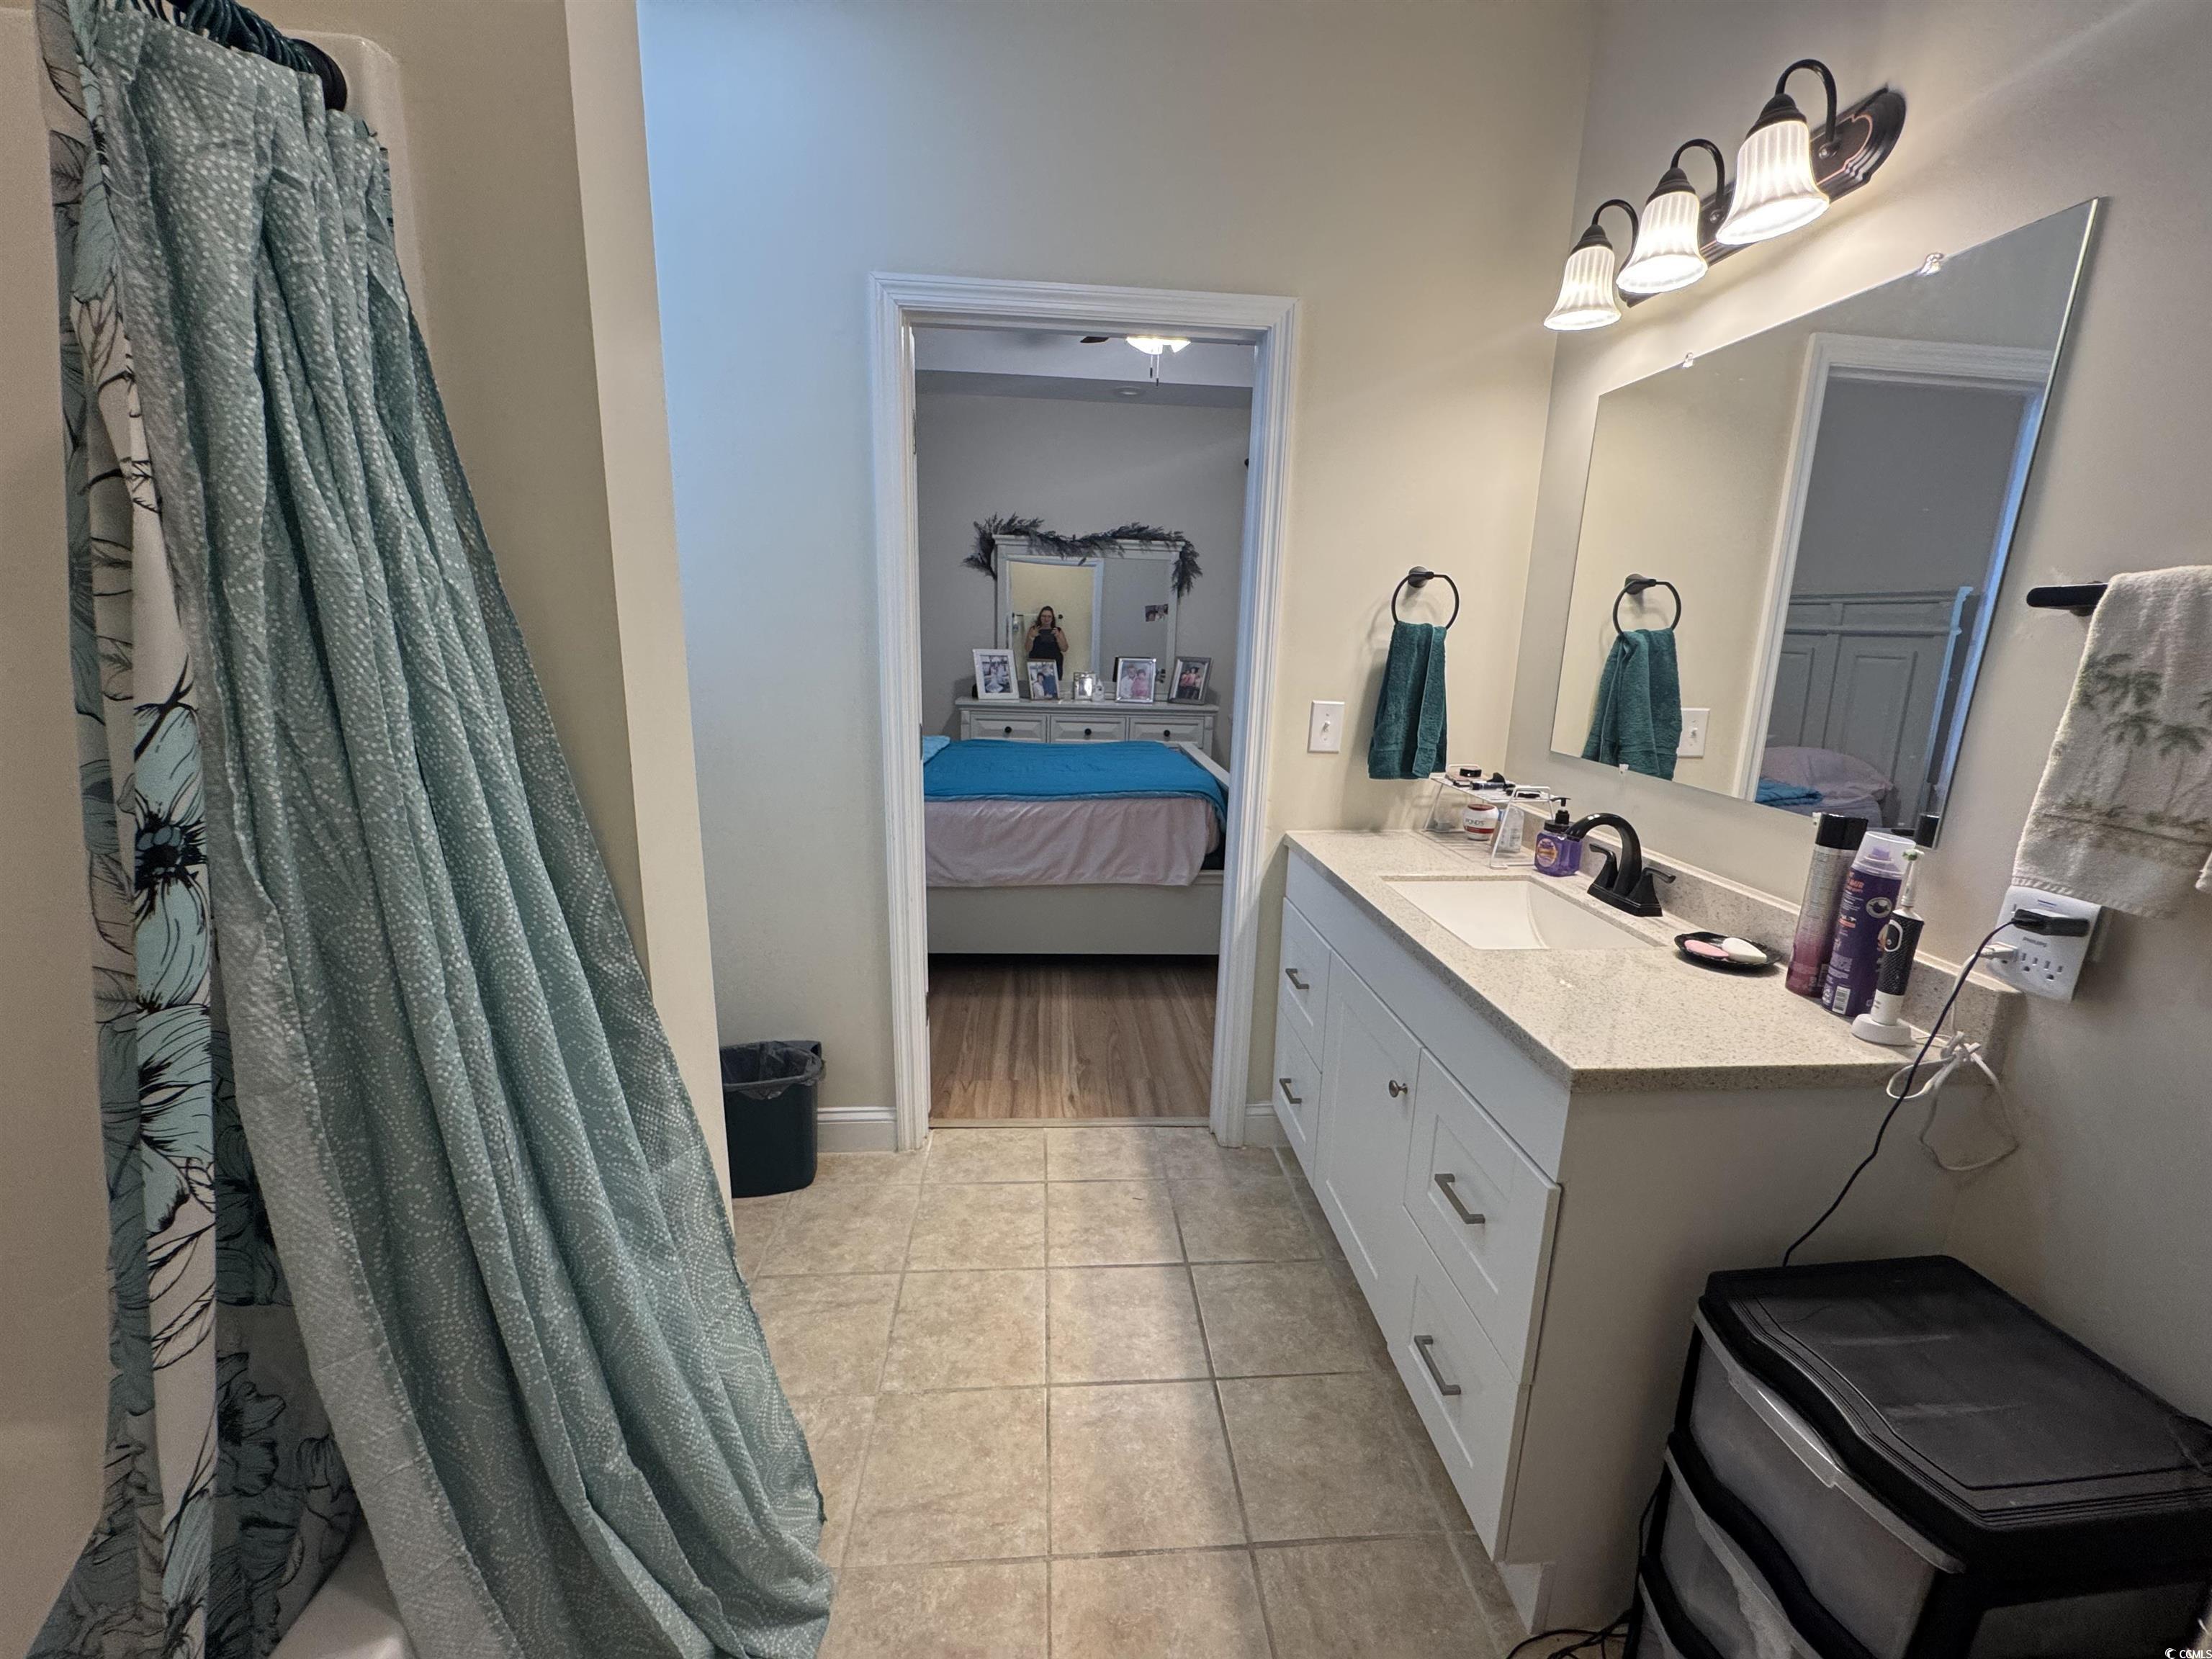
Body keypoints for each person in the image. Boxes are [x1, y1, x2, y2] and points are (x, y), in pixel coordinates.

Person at [1022, 606, 1069, 673]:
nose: (1046, 619)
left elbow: (1065, 649)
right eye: (1044, 616)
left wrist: (1058, 637)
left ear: (1052, 618)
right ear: (1040, 618)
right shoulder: (1034, 629)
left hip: (1054, 666)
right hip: (1037, 665)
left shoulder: (1058, 630)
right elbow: (1027, 649)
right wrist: (1032, 637)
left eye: (1049, 617)